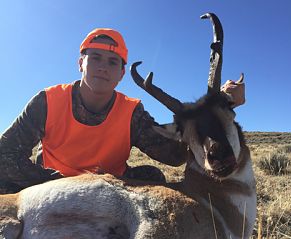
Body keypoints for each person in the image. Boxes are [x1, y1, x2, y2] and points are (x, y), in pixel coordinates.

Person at [0, 28, 245, 194]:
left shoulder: (131, 112)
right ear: (80, 64)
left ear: (121, 73)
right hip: (51, 188)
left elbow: (175, 155)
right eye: (95, 58)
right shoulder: (48, 101)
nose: (103, 68)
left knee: (154, 178)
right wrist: (55, 184)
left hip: (111, 191)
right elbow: (5, 154)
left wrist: (220, 105)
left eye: (112, 62)